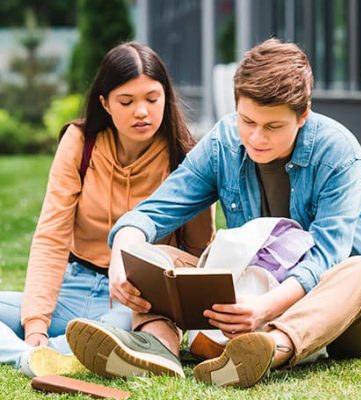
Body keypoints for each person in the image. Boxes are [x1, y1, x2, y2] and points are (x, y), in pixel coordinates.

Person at [66, 38, 361, 388]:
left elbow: (325, 257)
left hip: (341, 313)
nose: (256, 137)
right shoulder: (224, 142)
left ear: (303, 115)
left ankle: (271, 349)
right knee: (152, 254)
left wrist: (265, 311)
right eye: (247, 120)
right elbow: (153, 212)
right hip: (251, 298)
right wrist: (122, 253)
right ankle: (157, 347)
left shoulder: (338, 152)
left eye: (273, 127)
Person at [0, 41, 214, 377]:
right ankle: (32, 355)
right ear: (106, 103)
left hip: (134, 299)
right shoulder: (79, 142)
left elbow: (199, 251)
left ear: (166, 98)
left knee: (116, 338)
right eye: (126, 101)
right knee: (47, 327)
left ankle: (61, 352)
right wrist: (37, 325)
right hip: (73, 285)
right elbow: (51, 237)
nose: (141, 111)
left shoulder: (185, 157)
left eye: (152, 99)